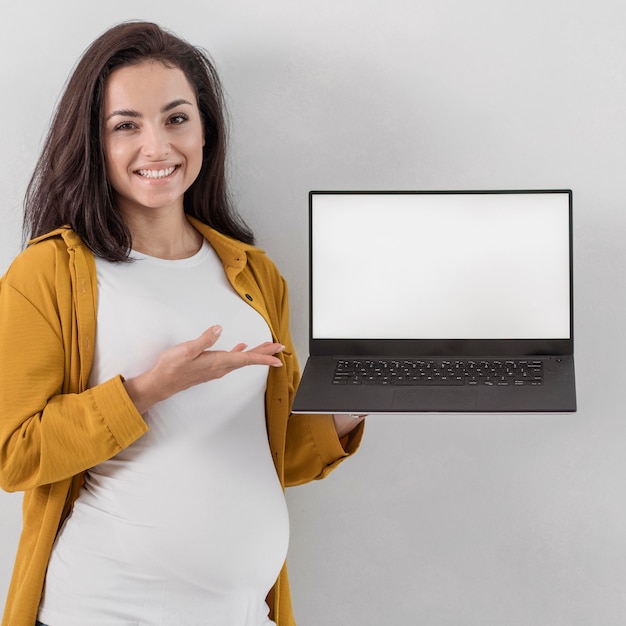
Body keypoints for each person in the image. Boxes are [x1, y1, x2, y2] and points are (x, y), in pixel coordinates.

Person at [0, 21, 365, 626]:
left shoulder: (254, 275)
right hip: (103, 611)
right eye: (126, 125)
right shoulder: (49, 272)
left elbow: (283, 455)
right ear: (94, 140)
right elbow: (14, 453)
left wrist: (359, 396)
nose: (158, 146)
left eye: (176, 119)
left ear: (205, 130)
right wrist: (149, 390)